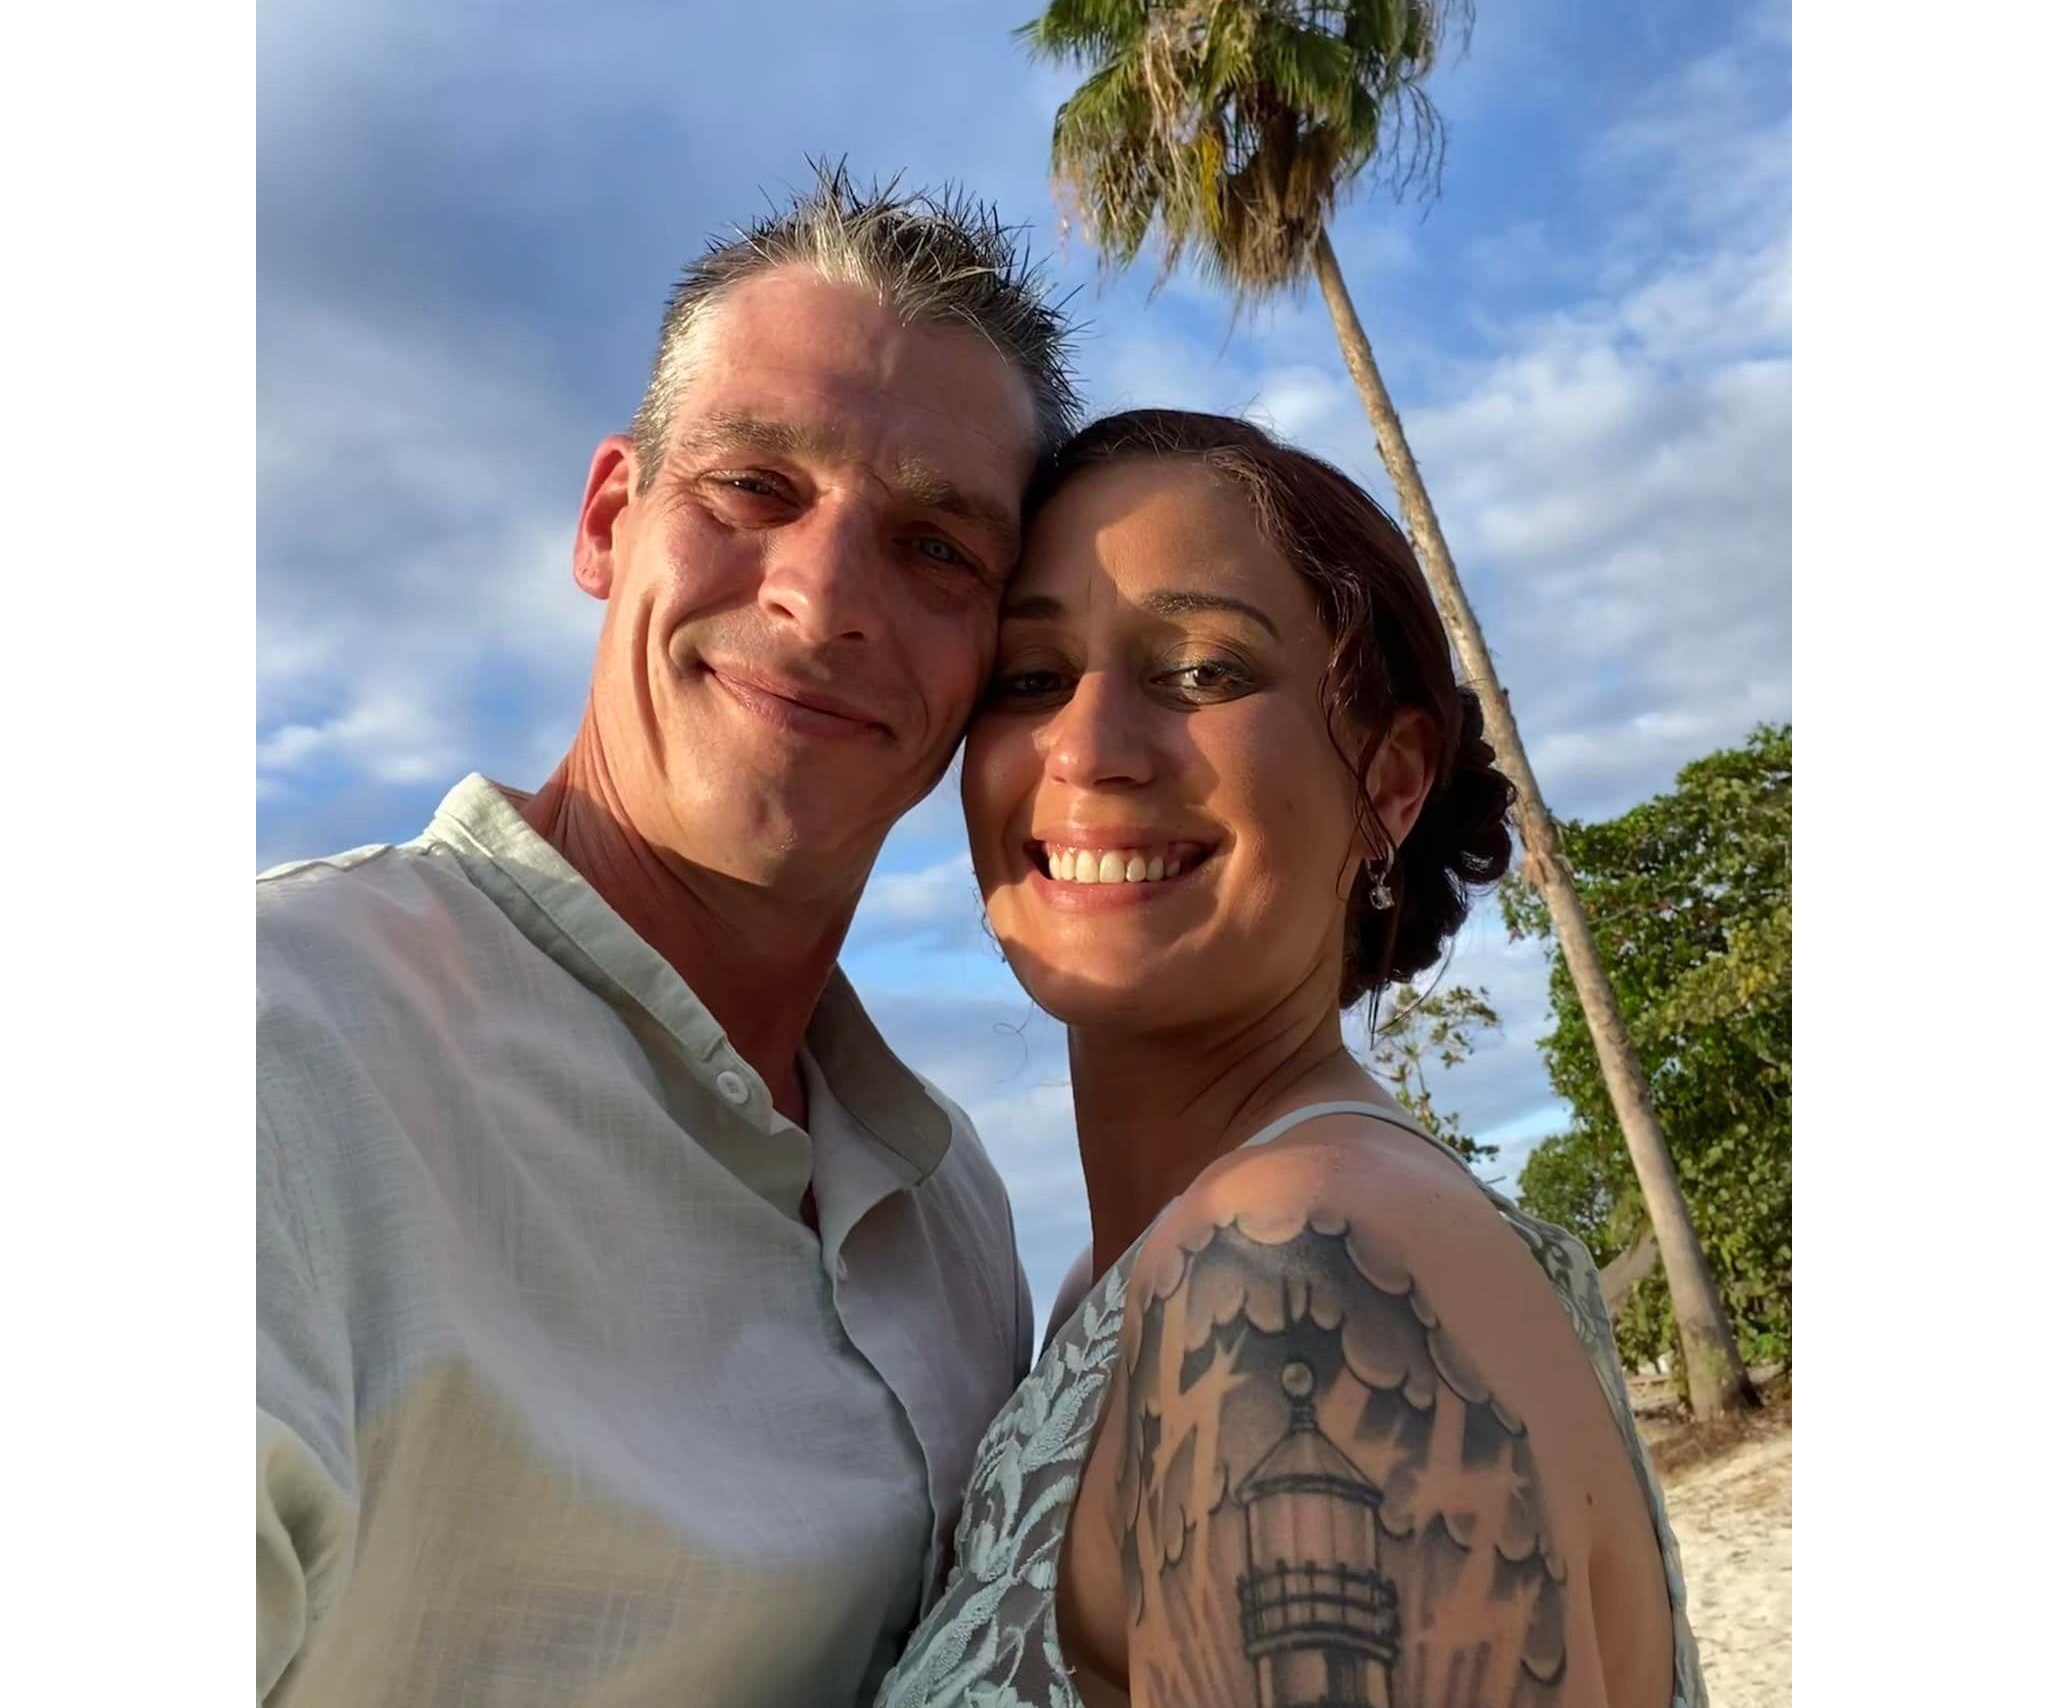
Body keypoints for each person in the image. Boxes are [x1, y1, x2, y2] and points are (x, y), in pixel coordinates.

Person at [256, 171, 1083, 1705]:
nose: (823, 598)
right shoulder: (280, 1055)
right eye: (755, 485)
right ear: (606, 521)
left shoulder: (952, 1215)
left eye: (936, 550)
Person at [879, 410, 1707, 1708]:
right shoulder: (1124, 1278)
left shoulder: (1294, 1276)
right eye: (1030, 678)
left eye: (1202, 671)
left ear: (1390, 780)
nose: (1087, 748)